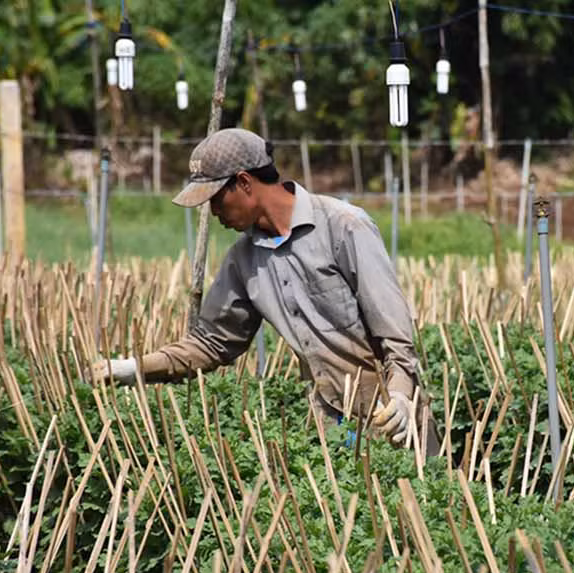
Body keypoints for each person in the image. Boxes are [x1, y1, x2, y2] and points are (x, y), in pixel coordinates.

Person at [92, 128, 439, 455]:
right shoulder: (244, 259)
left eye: (216, 199)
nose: (212, 213)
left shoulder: (343, 225)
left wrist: (400, 397)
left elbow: (395, 334)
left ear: (244, 182)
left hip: (392, 419)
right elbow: (213, 342)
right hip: (329, 425)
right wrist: (135, 368)